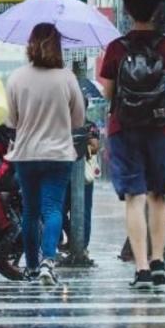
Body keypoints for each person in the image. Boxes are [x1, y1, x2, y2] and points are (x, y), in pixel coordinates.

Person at [99, 0, 165, 290]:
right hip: (161, 127)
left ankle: (141, 269)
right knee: (159, 195)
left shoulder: (116, 49)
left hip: (125, 128)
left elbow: (107, 94)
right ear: (158, 11)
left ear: (129, 12)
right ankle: (158, 263)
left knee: (135, 197)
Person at [5, 23, 85, 286]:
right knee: (52, 209)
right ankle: (47, 262)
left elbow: (10, 121)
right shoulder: (67, 78)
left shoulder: (16, 78)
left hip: (26, 154)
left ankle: (29, 266)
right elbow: (78, 120)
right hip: (58, 154)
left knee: (30, 212)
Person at [61, 108, 101, 256]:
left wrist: (79, 145)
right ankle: (72, 239)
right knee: (58, 209)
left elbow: (95, 147)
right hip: (63, 172)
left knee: (84, 210)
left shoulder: (89, 126)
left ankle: (82, 246)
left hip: (83, 174)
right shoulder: (63, 123)